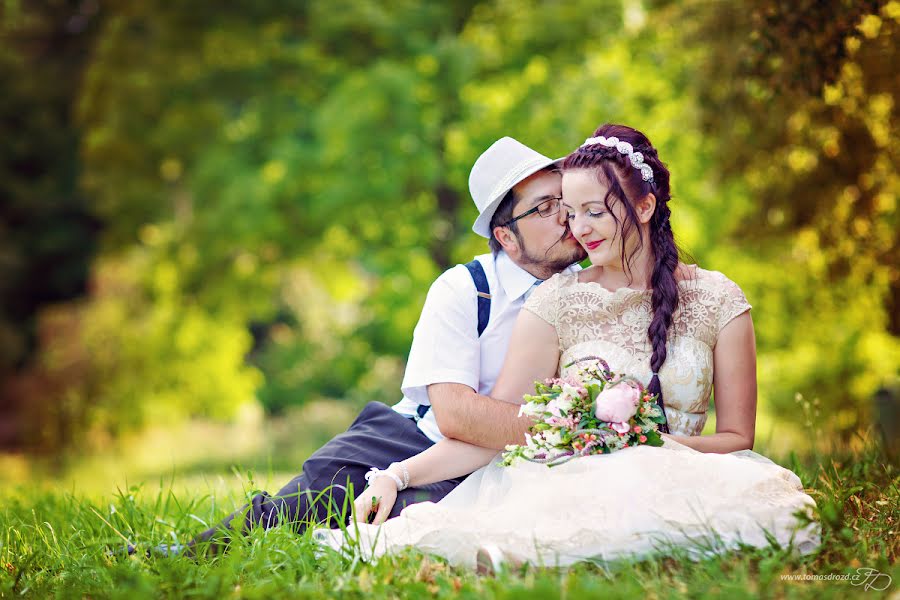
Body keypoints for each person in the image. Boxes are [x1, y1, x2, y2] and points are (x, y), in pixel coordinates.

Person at [316, 124, 820, 570]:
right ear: (504, 237)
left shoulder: (718, 298)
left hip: (689, 477)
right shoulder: (555, 301)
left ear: (645, 206)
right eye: (567, 212)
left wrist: (654, 449)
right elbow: (501, 428)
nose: (577, 228)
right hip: (567, 480)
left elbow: (737, 436)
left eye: (590, 211)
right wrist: (398, 475)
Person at [161, 137, 587, 556]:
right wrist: (564, 424)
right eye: (545, 208)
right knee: (313, 493)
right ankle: (195, 552)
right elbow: (454, 414)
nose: (566, 217)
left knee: (403, 522)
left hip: (499, 462)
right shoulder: (466, 289)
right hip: (413, 437)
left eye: (564, 200)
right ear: (506, 237)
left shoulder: (591, 289)